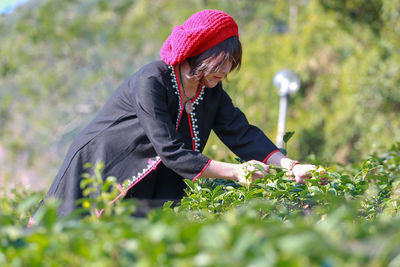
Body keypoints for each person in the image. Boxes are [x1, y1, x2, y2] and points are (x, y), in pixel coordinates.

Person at [29, 9, 318, 226]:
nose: (227, 70)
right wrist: (235, 171)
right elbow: (169, 149)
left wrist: (290, 166)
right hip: (104, 165)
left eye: (232, 63)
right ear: (201, 53)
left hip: (153, 176)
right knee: (70, 235)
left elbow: (242, 133)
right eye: (222, 61)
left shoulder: (211, 91)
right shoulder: (151, 80)